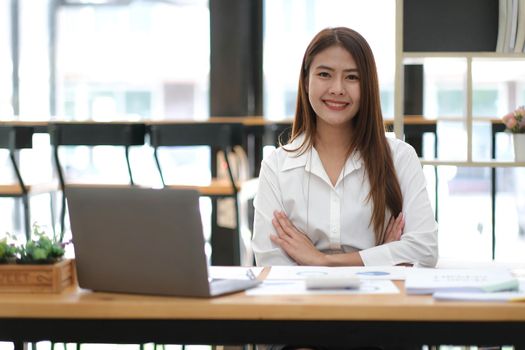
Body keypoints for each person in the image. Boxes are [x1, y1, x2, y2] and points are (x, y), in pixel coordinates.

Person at [252, 27, 438, 268]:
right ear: (306, 81)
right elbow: (271, 264)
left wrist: (321, 261)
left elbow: (423, 251)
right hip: (302, 304)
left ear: (368, 86)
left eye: (352, 77)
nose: (337, 88)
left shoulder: (399, 157)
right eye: (324, 74)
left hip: (379, 303)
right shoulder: (276, 166)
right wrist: (380, 258)